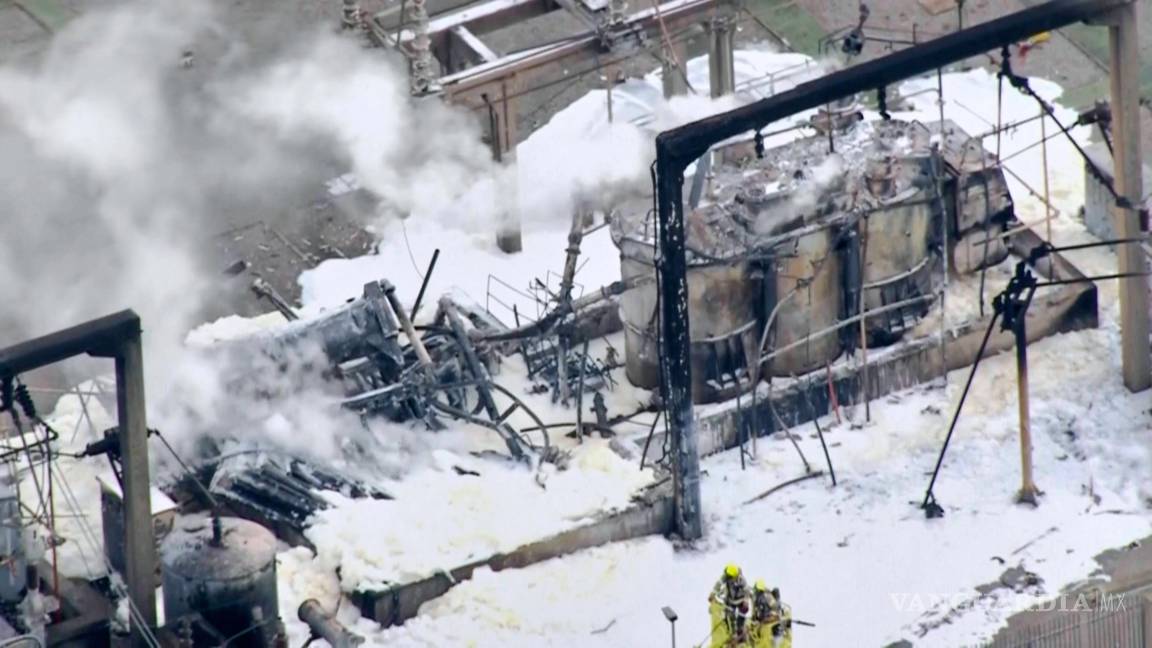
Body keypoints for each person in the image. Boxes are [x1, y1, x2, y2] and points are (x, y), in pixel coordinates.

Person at [709, 565, 751, 645]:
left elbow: (747, 591)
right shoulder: (726, 576)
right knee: (729, 617)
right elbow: (719, 583)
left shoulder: (741, 580)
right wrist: (713, 593)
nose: (730, 578)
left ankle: (740, 633)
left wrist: (746, 601)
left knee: (740, 618)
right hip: (730, 600)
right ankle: (731, 634)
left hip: (740, 600)